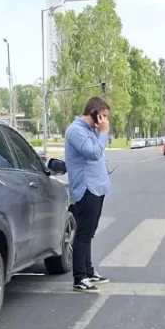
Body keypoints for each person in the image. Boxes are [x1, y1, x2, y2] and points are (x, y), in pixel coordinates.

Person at [65, 97, 113, 292]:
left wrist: (100, 132)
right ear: (94, 112)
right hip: (86, 188)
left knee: (90, 232)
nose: (105, 121)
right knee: (83, 234)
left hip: (97, 187)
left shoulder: (92, 130)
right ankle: (79, 277)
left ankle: (89, 270)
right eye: (104, 116)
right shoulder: (75, 131)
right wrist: (103, 133)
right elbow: (92, 153)